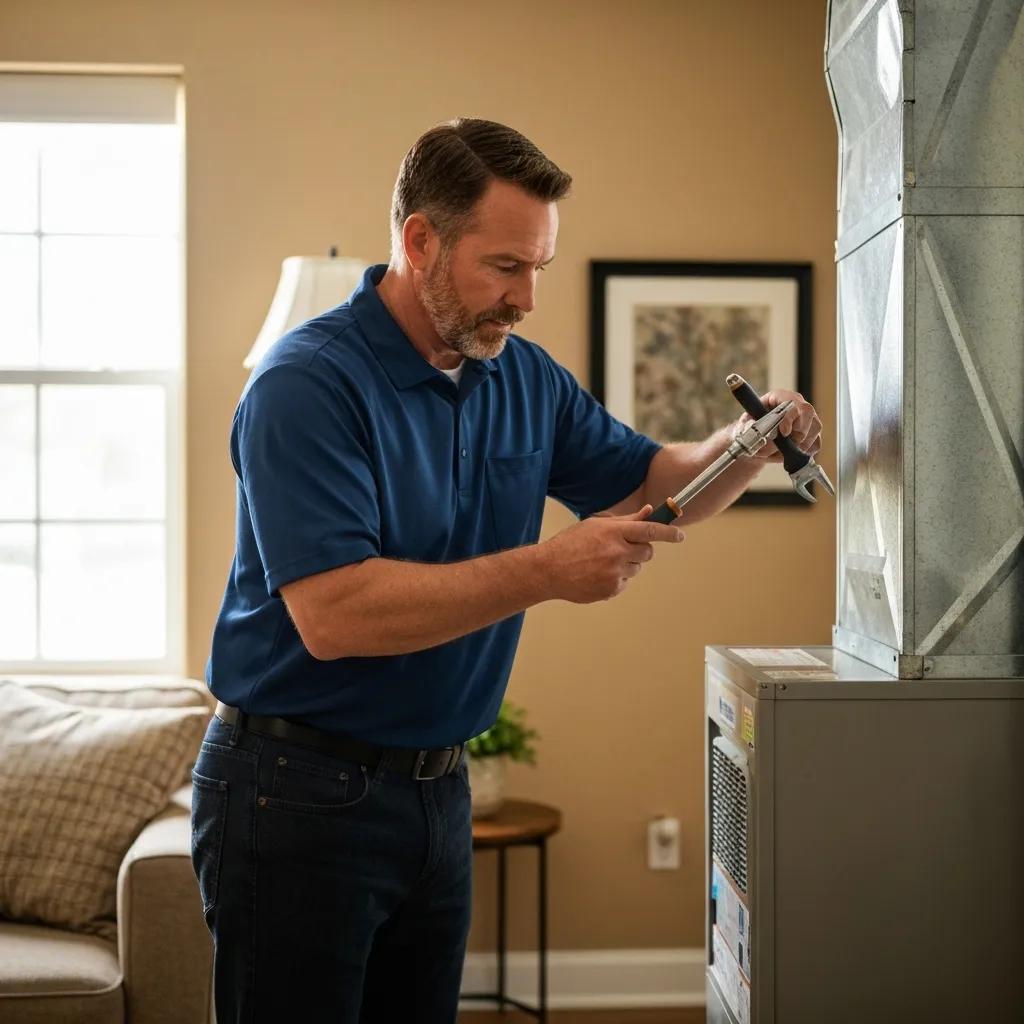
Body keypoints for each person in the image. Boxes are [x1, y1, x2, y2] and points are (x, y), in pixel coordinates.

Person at [191, 117, 822, 1024]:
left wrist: (746, 442)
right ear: (420, 242)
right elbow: (335, 616)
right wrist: (544, 570)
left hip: (437, 794)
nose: (527, 298)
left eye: (539, 269)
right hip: (292, 793)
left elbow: (650, 476)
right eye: (505, 267)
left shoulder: (522, 377)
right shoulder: (305, 386)